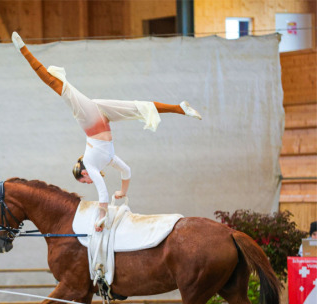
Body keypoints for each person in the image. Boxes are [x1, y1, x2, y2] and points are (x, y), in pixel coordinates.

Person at [11, 32, 202, 232]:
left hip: (89, 118)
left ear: (83, 173)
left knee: (57, 85)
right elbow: (126, 171)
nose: (88, 182)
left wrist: (100, 219)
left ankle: (23, 49)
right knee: (138, 108)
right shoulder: (108, 159)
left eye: (84, 181)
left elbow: (102, 195)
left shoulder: (91, 164)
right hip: (102, 115)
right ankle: (180, 108)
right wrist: (122, 191)